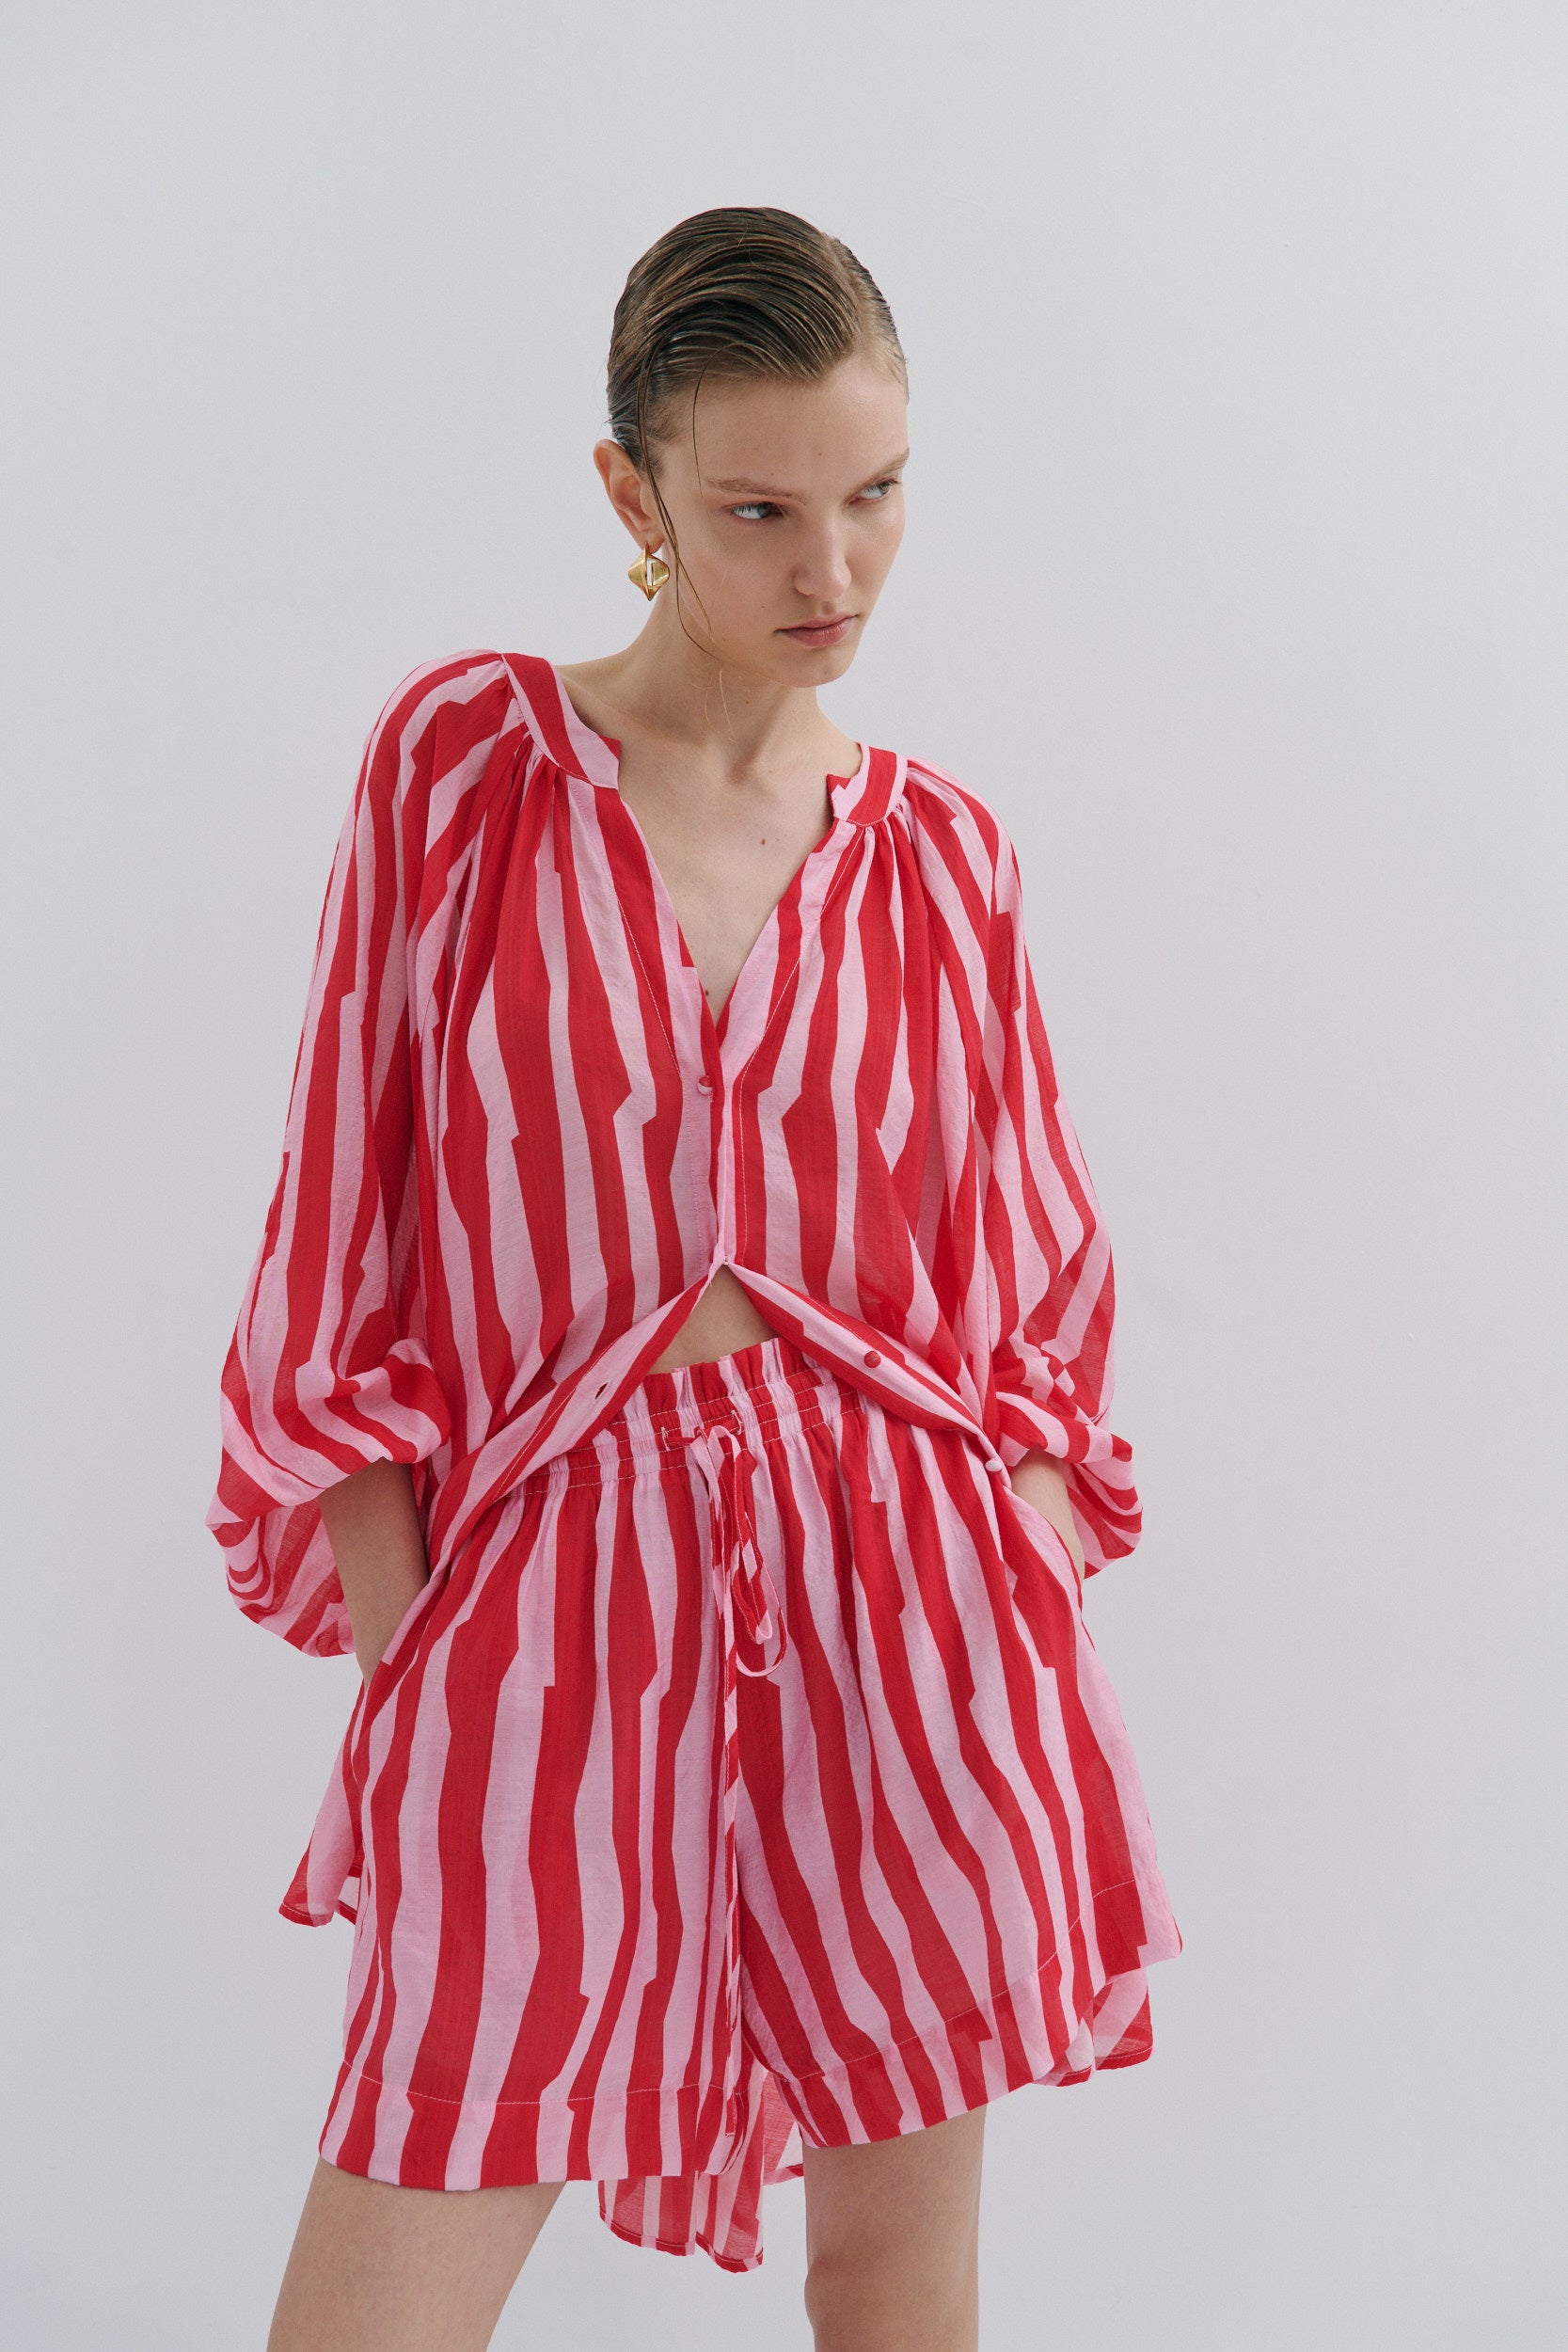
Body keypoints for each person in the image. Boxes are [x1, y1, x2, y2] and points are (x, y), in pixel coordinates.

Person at [207, 204, 1180, 2352]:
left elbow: (1033, 1301)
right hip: (542, 1603)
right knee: (391, 2268)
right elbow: (328, 1249)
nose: (831, 572)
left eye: (876, 495)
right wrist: (420, 1654)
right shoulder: (463, 773)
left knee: (898, 2277)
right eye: (759, 509)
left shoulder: (943, 857)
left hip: (911, 1612)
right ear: (632, 496)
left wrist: (1005, 1580)